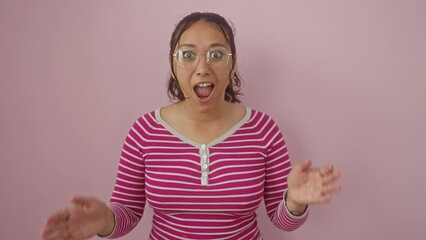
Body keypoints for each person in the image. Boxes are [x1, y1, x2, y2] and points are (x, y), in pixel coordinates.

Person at [40, 12, 341, 240]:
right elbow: (127, 213)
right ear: (173, 64)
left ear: (232, 64)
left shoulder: (264, 130)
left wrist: (295, 201)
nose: (202, 67)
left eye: (216, 55)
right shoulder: (144, 131)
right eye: (188, 55)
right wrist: (104, 221)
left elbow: (282, 220)